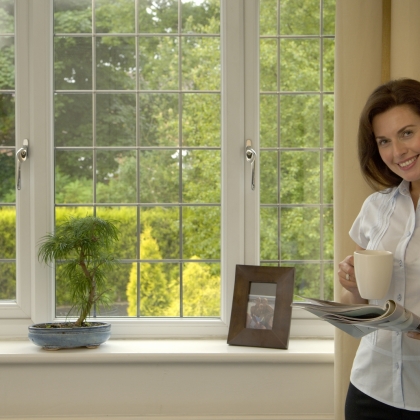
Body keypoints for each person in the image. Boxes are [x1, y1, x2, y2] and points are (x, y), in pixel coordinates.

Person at [338, 78, 420, 420]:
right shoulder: (375, 207)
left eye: (407, 133)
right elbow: (355, 319)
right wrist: (353, 289)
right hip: (370, 389)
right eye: (384, 141)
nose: (396, 152)